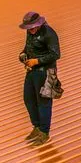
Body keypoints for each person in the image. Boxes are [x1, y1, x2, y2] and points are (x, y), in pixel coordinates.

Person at [19, 11, 61, 146]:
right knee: (29, 99)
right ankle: (36, 127)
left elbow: (55, 54)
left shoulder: (49, 33)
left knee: (43, 102)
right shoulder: (30, 33)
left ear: (38, 24)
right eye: (28, 28)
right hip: (32, 71)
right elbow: (27, 47)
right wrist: (23, 55)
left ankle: (44, 132)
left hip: (45, 72)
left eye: (32, 27)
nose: (30, 30)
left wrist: (37, 61)